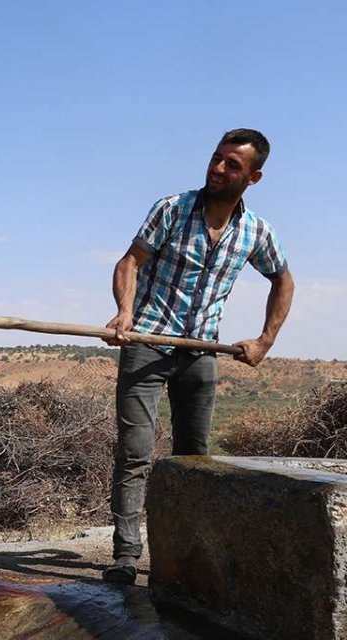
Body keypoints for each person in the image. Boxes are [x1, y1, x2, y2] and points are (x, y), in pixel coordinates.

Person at [101, 128, 295, 584]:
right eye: (216, 157)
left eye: (232, 164)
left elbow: (284, 280)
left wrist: (265, 340)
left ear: (254, 177)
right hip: (146, 343)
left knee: (194, 459)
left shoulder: (255, 231)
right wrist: (125, 312)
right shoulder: (171, 209)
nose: (218, 168)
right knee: (135, 452)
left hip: (202, 351)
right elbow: (129, 262)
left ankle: (184, 556)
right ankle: (126, 556)